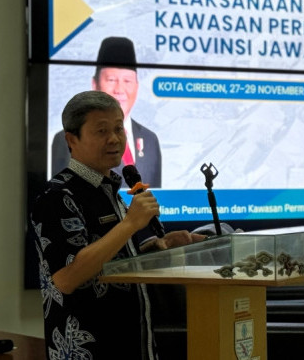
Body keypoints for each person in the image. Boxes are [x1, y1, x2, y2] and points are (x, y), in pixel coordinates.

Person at [31, 91, 204, 359]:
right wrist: (131, 223)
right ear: (71, 139)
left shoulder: (110, 191)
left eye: (118, 129)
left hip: (133, 344)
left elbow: (111, 262)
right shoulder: (57, 196)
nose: (114, 139)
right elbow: (66, 277)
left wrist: (157, 246)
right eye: (101, 131)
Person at [51, 37, 162, 186]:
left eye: (127, 81)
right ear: (94, 84)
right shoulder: (70, 139)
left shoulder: (150, 140)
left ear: (137, 86)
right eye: (111, 80)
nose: (120, 90)